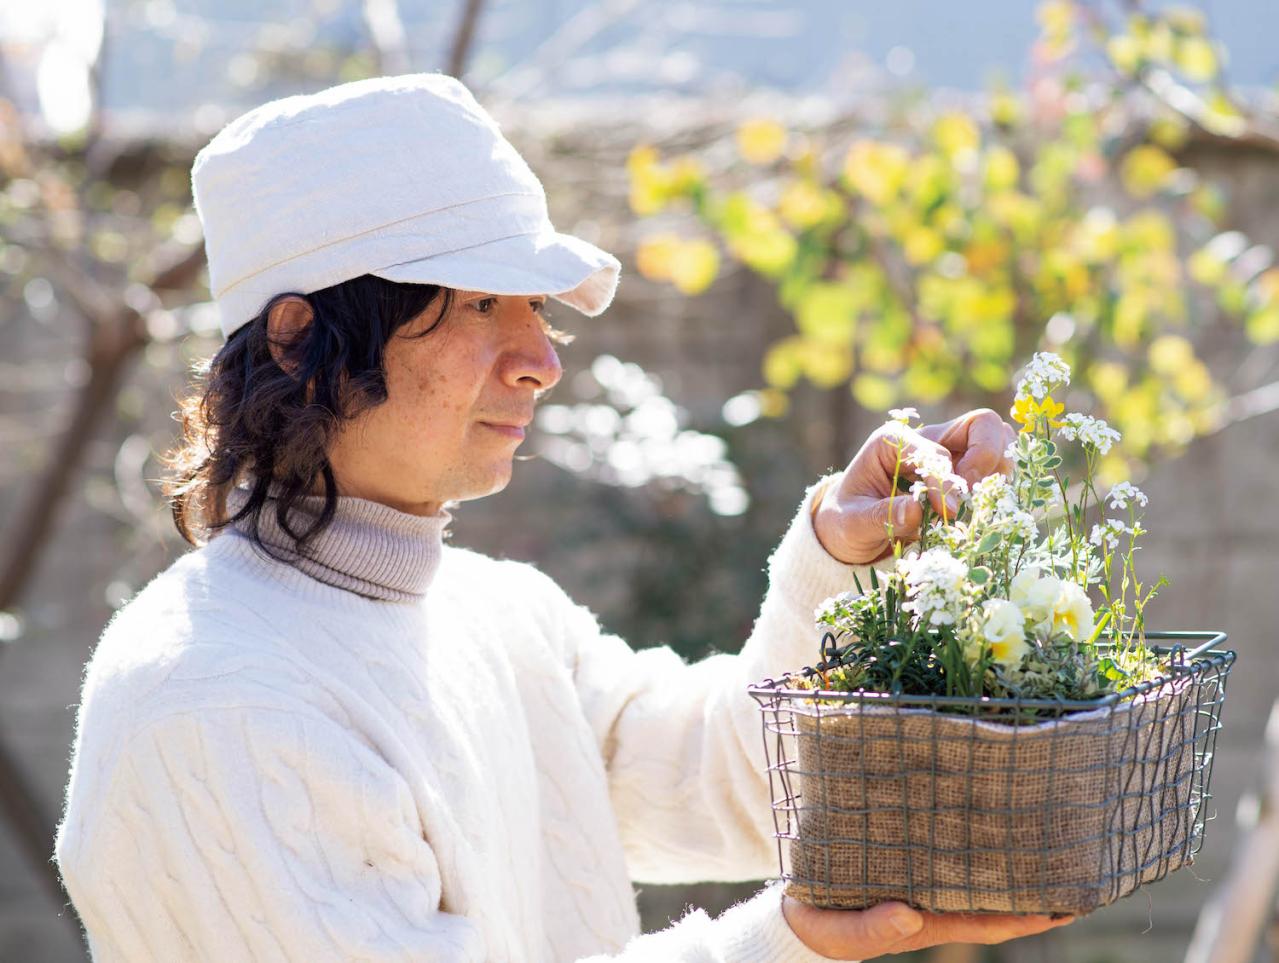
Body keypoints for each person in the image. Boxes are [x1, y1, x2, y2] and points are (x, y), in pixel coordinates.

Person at [53, 73, 1069, 961]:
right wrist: (781, 944)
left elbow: (738, 783)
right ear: (293, 337)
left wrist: (837, 554)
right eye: (481, 303)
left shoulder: (498, 616)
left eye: (535, 305)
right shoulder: (213, 701)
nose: (541, 358)